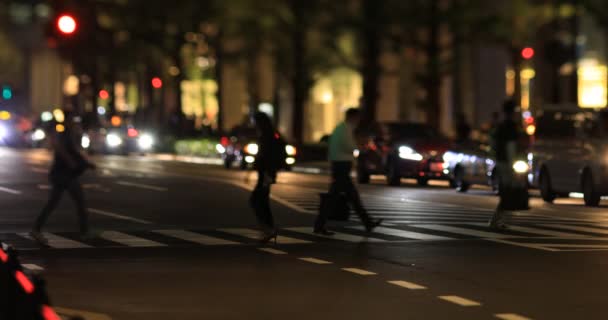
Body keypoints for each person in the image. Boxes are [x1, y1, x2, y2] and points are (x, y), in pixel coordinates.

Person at [30, 111, 97, 245]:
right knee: (80, 201)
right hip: (64, 174)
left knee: (53, 202)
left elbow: (73, 151)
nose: (74, 122)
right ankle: (84, 232)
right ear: (67, 120)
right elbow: (62, 150)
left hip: (62, 173)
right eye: (72, 119)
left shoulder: (69, 133)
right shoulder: (65, 133)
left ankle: (36, 229)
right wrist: (73, 163)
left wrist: (84, 162)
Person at [314, 108, 382, 235]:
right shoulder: (345, 129)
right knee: (336, 197)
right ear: (353, 117)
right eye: (357, 117)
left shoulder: (340, 128)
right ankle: (319, 225)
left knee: (348, 197)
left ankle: (368, 223)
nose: (358, 120)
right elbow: (349, 146)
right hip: (342, 165)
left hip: (339, 164)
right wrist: (361, 149)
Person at [488, 100, 528, 229]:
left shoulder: (500, 126)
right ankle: (496, 220)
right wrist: (512, 166)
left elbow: (493, 145)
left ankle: (498, 220)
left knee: (507, 191)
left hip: (501, 161)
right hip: (508, 162)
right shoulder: (511, 127)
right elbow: (511, 147)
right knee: (508, 191)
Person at [249, 112, 285, 244]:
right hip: (266, 173)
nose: (253, 124)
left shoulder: (267, 136)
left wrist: (267, 174)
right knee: (261, 201)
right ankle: (269, 229)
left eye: (255, 121)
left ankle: (268, 229)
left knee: (256, 200)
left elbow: (266, 156)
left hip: (266, 173)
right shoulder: (270, 134)